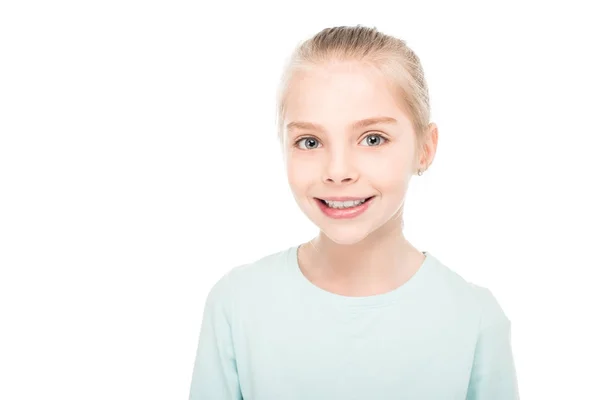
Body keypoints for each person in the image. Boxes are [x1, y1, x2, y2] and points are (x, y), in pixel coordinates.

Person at [189, 25, 519, 399]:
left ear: (425, 148)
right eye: (309, 141)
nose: (338, 170)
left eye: (372, 139)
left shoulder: (474, 321)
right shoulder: (236, 306)